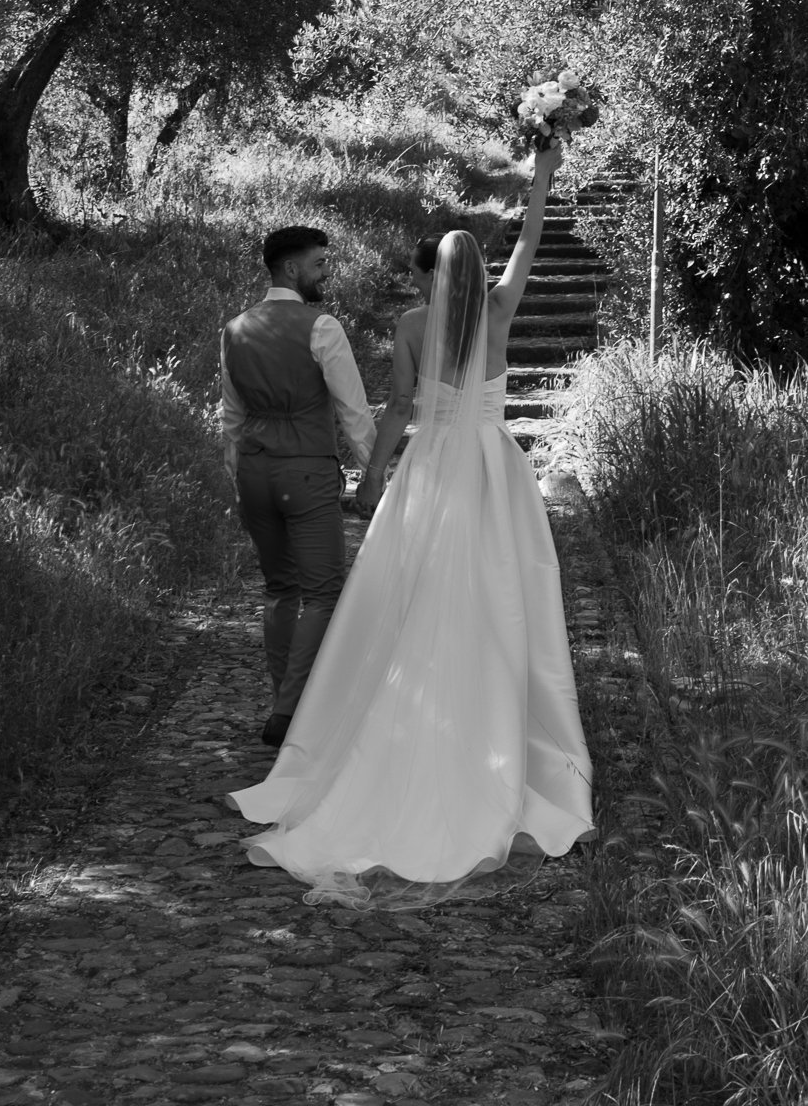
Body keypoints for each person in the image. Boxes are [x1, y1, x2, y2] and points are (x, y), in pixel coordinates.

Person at [230, 145, 592, 902]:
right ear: (480, 274)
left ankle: (393, 722)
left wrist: (372, 478)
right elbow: (526, 241)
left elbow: (396, 407)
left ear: (432, 273)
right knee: (500, 590)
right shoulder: (499, 309)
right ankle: (498, 723)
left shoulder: (412, 322)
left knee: (408, 591)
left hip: (430, 468)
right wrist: (542, 175)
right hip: (492, 469)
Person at [221, 225, 377, 749]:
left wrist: (238, 477)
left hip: (254, 472)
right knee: (324, 592)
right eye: (318, 264)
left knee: (280, 589)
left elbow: (232, 416)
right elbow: (353, 412)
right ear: (291, 269)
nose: (324, 272)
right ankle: (290, 711)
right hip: (306, 472)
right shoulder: (322, 327)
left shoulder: (235, 328)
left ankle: (282, 699)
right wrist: (376, 476)